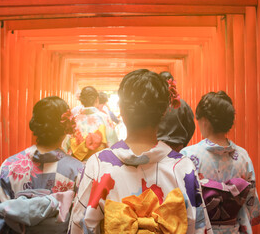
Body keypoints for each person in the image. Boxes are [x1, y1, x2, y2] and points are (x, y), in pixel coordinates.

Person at [69, 69, 212, 234]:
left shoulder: (99, 164)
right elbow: (199, 228)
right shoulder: (183, 167)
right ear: (165, 111)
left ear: (121, 110)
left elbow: (79, 226)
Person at [0, 96, 84, 234]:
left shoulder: (10, 165)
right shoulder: (77, 170)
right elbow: (81, 220)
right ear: (66, 129)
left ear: (35, 125)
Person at [180, 91, 260, 233]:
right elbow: (250, 199)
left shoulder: (188, 155)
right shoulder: (242, 156)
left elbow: (183, 202)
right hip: (233, 228)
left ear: (204, 120)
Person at [68, 86, 118, 162]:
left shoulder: (74, 120)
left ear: (81, 101)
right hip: (99, 163)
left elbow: (67, 145)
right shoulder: (105, 118)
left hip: (77, 163)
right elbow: (113, 144)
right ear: (97, 99)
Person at [157, 71, 195, 152]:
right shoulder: (183, 104)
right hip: (177, 148)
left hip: (158, 148)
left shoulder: (153, 104)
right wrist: (182, 144)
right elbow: (191, 127)